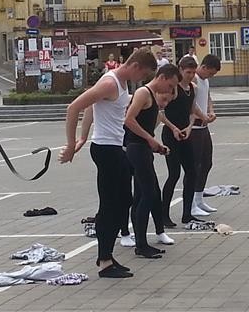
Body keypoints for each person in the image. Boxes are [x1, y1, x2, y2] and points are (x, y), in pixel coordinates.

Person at [59, 47, 157, 279]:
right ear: (135, 66)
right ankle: (104, 261)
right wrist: (72, 144)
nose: (142, 80)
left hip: (113, 148)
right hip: (106, 150)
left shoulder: (121, 84)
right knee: (112, 205)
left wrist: (83, 138)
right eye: (143, 75)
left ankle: (107, 256)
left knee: (122, 202)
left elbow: (92, 107)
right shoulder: (110, 83)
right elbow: (74, 107)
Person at [124, 65, 180, 258]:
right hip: (136, 148)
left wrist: (156, 145)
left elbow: (145, 125)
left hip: (143, 148)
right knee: (148, 194)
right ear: (162, 77)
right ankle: (141, 244)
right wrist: (150, 139)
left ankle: (142, 242)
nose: (170, 90)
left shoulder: (152, 97)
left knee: (144, 194)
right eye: (170, 85)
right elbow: (129, 120)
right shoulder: (143, 93)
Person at [159, 56, 212, 226]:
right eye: (187, 72)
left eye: (193, 72)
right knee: (174, 174)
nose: (190, 75)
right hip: (170, 134)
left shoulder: (193, 88)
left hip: (185, 134)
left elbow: (192, 110)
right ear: (180, 70)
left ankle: (187, 213)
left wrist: (190, 126)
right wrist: (173, 128)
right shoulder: (172, 89)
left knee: (192, 172)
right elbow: (161, 112)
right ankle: (164, 215)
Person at [189, 54, 220, 217]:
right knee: (195, 166)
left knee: (207, 162)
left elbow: (207, 97)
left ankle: (199, 198)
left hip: (204, 127)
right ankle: (191, 203)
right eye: (210, 73)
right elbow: (191, 104)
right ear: (204, 67)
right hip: (194, 127)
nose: (211, 76)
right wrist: (202, 116)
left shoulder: (205, 81)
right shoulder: (193, 79)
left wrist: (211, 111)